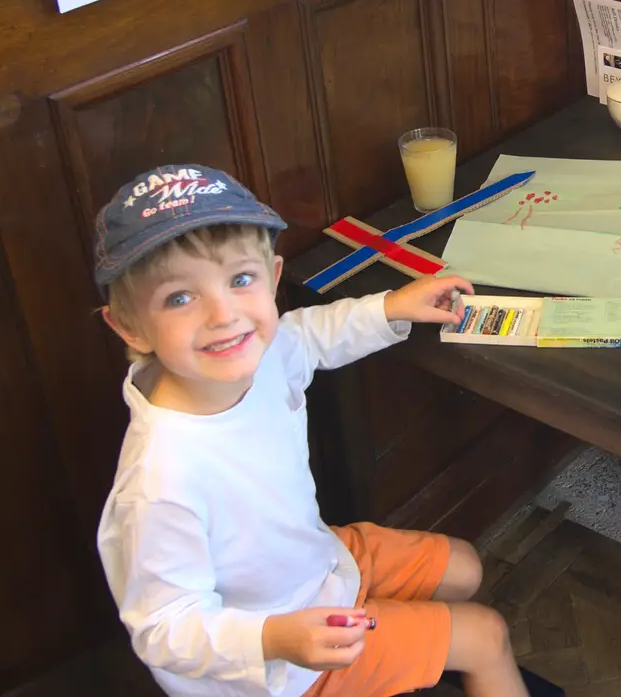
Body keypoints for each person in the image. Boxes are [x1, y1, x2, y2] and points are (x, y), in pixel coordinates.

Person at [93, 163, 529, 697]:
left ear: (273, 278)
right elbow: (165, 629)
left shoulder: (261, 350)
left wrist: (393, 306)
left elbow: (309, 335)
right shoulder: (159, 480)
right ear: (128, 326)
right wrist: (274, 638)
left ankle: (412, 664)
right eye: (179, 298)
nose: (223, 315)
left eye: (240, 280)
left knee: (464, 568)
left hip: (321, 565)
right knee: (487, 637)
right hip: (281, 664)